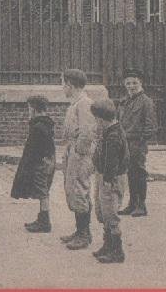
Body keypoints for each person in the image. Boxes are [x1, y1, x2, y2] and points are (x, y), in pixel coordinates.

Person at [59, 68, 96, 250]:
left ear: (70, 85)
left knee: (79, 189)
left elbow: (87, 132)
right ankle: (79, 230)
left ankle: (84, 234)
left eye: (63, 84)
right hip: (73, 150)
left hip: (80, 153)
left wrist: (78, 152)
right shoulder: (76, 103)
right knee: (73, 189)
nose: (62, 88)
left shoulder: (84, 104)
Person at [11, 95, 57, 233]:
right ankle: (42, 218)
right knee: (43, 190)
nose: (28, 111)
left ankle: (44, 222)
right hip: (48, 160)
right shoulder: (46, 124)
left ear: (33, 109)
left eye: (29, 108)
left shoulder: (38, 127)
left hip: (41, 163)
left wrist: (29, 165)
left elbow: (34, 149)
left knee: (42, 192)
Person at [90, 98, 128, 263]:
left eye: (96, 119)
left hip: (111, 179)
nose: (96, 123)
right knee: (104, 212)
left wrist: (107, 180)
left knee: (111, 214)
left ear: (101, 119)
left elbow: (112, 162)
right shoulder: (109, 131)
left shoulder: (113, 136)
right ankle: (107, 245)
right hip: (105, 176)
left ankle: (117, 251)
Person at [117, 68, 156, 217]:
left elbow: (151, 126)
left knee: (139, 173)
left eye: (134, 83)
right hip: (125, 143)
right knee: (130, 173)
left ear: (140, 83)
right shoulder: (124, 101)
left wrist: (140, 141)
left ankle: (141, 205)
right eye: (128, 83)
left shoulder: (146, 102)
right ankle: (132, 204)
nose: (131, 86)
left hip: (137, 143)